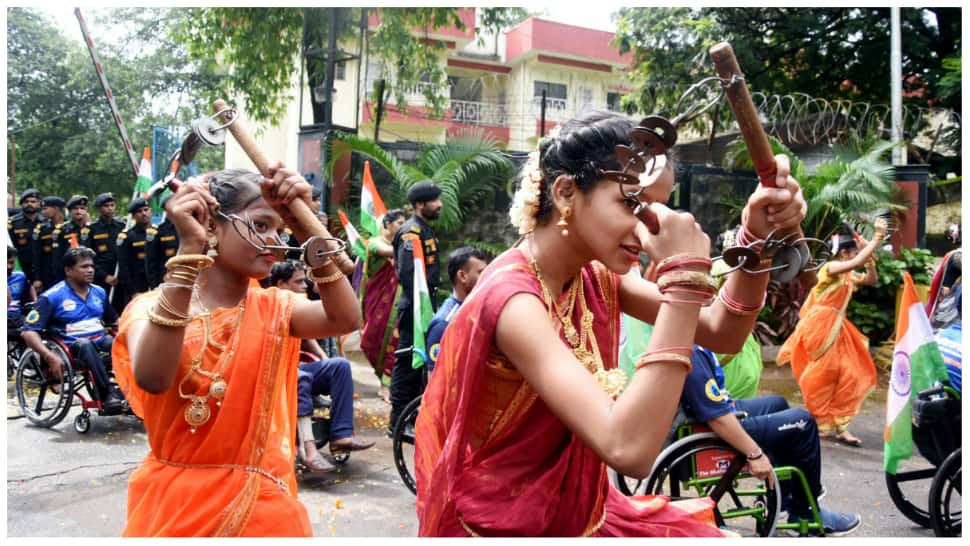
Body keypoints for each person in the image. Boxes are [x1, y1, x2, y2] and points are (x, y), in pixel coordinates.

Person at [413, 111, 807, 536]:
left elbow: (722, 329)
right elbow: (629, 449)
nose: (649, 228)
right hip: (510, 525)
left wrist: (757, 238)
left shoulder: (595, 274)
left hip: (581, 509)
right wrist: (684, 283)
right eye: (632, 203)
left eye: (657, 207)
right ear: (566, 192)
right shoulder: (514, 301)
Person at [111, 165, 360, 536]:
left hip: (264, 512)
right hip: (178, 511)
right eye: (260, 225)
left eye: (280, 228)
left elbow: (345, 318)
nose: (275, 240)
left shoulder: (276, 308)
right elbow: (152, 377)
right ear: (211, 224)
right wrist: (188, 250)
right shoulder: (150, 308)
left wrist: (307, 225)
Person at [664, 343, 861, 535]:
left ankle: (783, 499)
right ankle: (804, 512)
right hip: (711, 429)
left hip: (707, 416)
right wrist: (755, 454)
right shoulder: (691, 354)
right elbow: (718, 419)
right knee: (803, 421)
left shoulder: (684, 342)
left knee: (777, 404)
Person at [777, 219, 887, 447]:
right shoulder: (830, 268)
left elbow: (871, 280)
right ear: (845, 253)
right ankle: (820, 421)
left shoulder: (847, 275)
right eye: (854, 252)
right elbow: (858, 260)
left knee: (851, 373)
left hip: (837, 326)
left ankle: (841, 424)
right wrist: (876, 238)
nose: (856, 255)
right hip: (820, 326)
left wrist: (871, 262)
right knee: (822, 374)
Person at [268, 260, 375, 474]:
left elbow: (307, 337)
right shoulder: (269, 303)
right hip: (273, 370)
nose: (305, 285)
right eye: (298, 281)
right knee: (300, 377)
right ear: (281, 284)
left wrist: (322, 358)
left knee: (339, 366)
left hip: (296, 365)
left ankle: (341, 435)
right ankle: (308, 449)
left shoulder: (298, 302)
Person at [21, 246, 125, 412]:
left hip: (100, 341)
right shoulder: (52, 296)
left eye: (91, 266)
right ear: (68, 270)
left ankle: (134, 392)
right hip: (72, 348)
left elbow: (114, 321)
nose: (90, 270)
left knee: (120, 344)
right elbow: (28, 331)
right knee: (85, 345)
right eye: (84, 267)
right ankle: (108, 394)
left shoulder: (99, 292)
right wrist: (49, 356)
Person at [388, 181, 442, 435]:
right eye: (435, 200)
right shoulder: (411, 233)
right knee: (408, 361)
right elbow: (409, 276)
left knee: (420, 362)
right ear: (420, 204)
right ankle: (398, 421)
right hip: (415, 307)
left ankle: (412, 417)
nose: (439, 204)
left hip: (426, 305)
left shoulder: (425, 229)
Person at [359, 208, 406, 401]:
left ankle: (386, 385)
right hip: (377, 303)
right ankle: (381, 379)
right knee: (373, 341)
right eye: (400, 224)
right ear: (388, 225)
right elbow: (387, 251)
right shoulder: (375, 243)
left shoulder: (402, 245)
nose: (404, 228)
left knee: (393, 341)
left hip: (398, 302)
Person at [425, 246, 488, 372]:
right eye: (481, 272)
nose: (487, 277)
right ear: (462, 276)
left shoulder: (477, 309)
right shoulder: (444, 324)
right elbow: (435, 380)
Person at [88, 192, 127, 312]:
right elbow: (89, 257)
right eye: (106, 206)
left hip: (120, 275)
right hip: (101, 277)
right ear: (99, 208)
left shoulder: (122, 226)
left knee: (120, 308)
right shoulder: (91, 229)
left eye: (112, 205)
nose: (110, 208)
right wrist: (105, 276)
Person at [116, 198, 156, 304]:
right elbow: (124, 267)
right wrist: (132, 292)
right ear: (133, 216)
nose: (143, 213)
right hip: (136, 286)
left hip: (156, 284)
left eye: (146, 210)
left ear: (151, 212)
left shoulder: (158, 233)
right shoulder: (127, 237)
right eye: (139, 211)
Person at [51, 195, 92, 284]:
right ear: (69, 211)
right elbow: (57, 259)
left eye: (82, 208)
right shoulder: (61, 230)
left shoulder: (92, 228)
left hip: (89, 274)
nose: (79, 211)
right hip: (69, 275)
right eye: (75, 208)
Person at [31, 195, 66, 293]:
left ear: (56, 208)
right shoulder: (41, 229)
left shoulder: (69, 227)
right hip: (47, 274)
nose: (43, 212)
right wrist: (37, 278)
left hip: (66, 273)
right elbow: (36, 255)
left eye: (45, 209)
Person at [145, 194, 179, 289]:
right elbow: (151, 263)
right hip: (165, 281)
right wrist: (154, 286)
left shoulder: (187, 227)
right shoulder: (158, 231)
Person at [8, 188, 42, 284]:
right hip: (21, 268)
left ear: (39, 204)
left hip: (42, 269)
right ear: (22, 204)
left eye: (33, 201)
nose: (29, 204)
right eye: (26, 201)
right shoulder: (13, 223)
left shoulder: (46, 222)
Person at [8, 245, 37, 326]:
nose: (9, 266)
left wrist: (35, 301)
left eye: (11, 262)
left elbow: (30, 287)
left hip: (17, 317)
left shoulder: (20, 276)